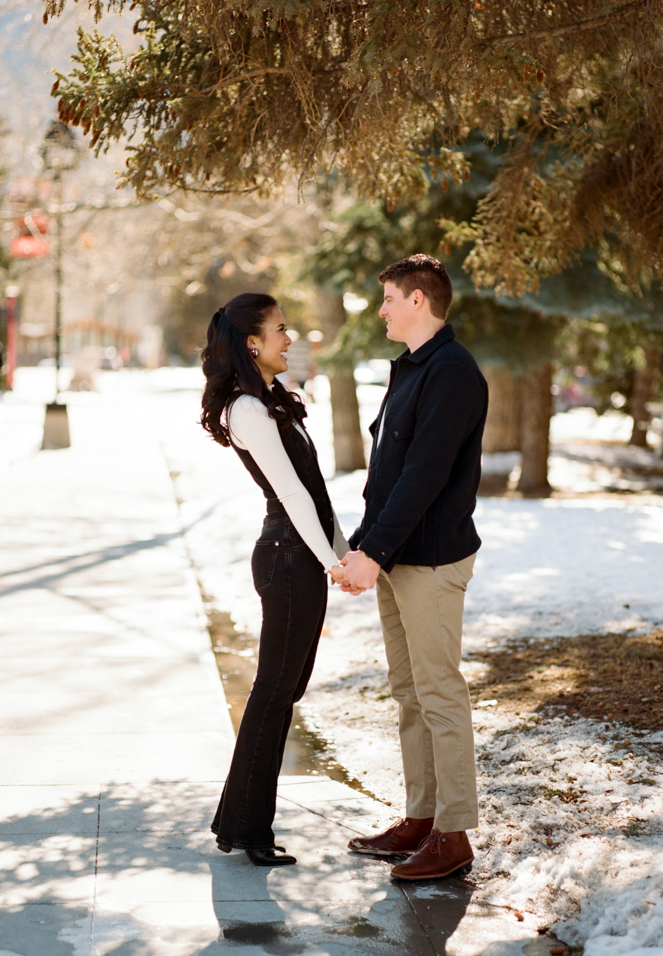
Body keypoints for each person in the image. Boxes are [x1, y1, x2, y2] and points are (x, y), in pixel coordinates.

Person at [340, 254, 488, 881]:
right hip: (397, 556)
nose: (382, 310)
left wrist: (373, 553)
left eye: (389, 299)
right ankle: (421, 818)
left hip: (430, 560)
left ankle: (453, 832)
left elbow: (425, 476)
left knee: (439, 693)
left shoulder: (451, 373)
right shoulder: (409, 369)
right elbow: (386, 477)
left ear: (420, 300)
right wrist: (363, 546)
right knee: (409, 695)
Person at [200, 293, 348, 867]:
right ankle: (247, 829)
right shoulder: (246, 410)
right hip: (287, 556)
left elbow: (316, 492)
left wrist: (342, 554)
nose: (291, 338)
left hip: (299, 553)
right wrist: (332, 562)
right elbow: (291, 495)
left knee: (283, 690)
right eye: (281, 329)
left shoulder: (272, 402)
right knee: (272, 693)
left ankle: (238, 822)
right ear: (252, 342)